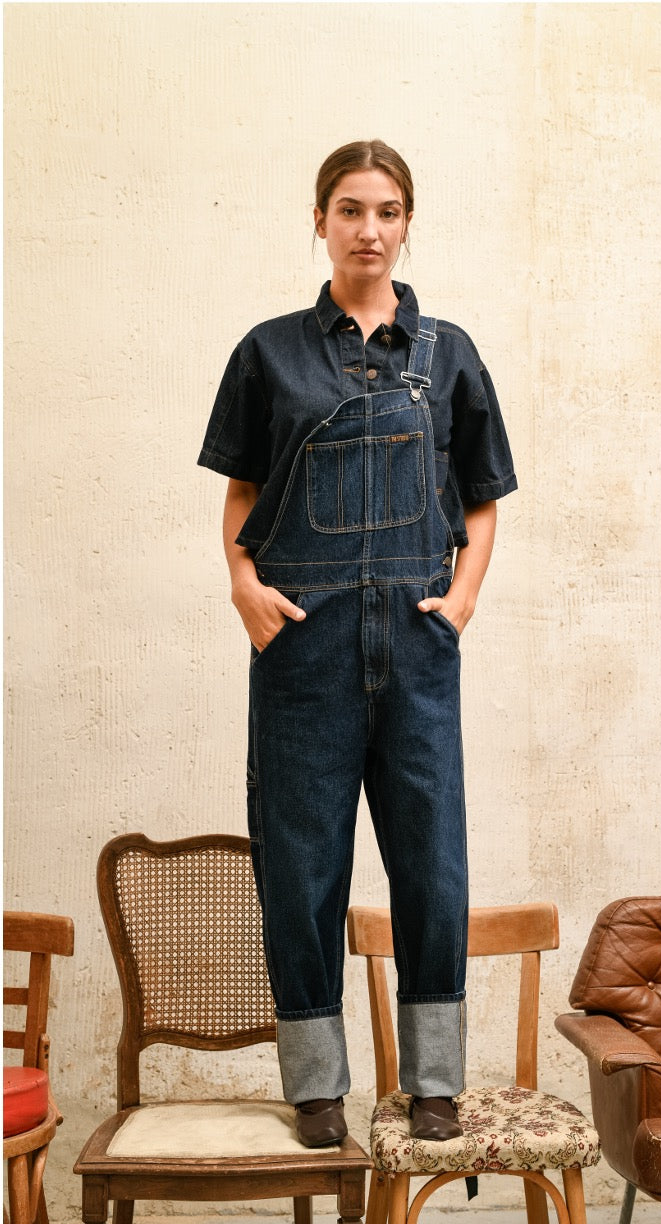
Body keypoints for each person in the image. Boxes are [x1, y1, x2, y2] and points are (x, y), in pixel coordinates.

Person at [198, 140, 517, 1148]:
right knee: (301, 867)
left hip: (416, 647)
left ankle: (434, 1081)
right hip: (305, 649)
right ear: (320, 221)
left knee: (432, 866)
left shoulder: (449, 353)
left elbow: (482, 496)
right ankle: (315, 1087)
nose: (368, 229)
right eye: (349, 209)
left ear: (407, 223)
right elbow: (243, 491)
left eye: (385, 211)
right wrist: (244, 586)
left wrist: (461, 600)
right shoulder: (269, 352)